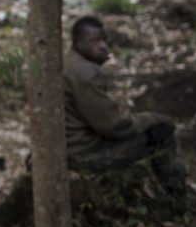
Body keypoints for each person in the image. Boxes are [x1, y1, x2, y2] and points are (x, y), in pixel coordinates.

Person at [64, 15, 187, 198]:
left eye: (103, 39)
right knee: (162, 130)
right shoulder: (86, 73)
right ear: (77, 42)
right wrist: (146, 120)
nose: (103, 46)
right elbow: (115, 127)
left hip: (68, 147)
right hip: (84, 154)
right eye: (94, 41)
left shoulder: (68, 61)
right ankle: (178, 199)